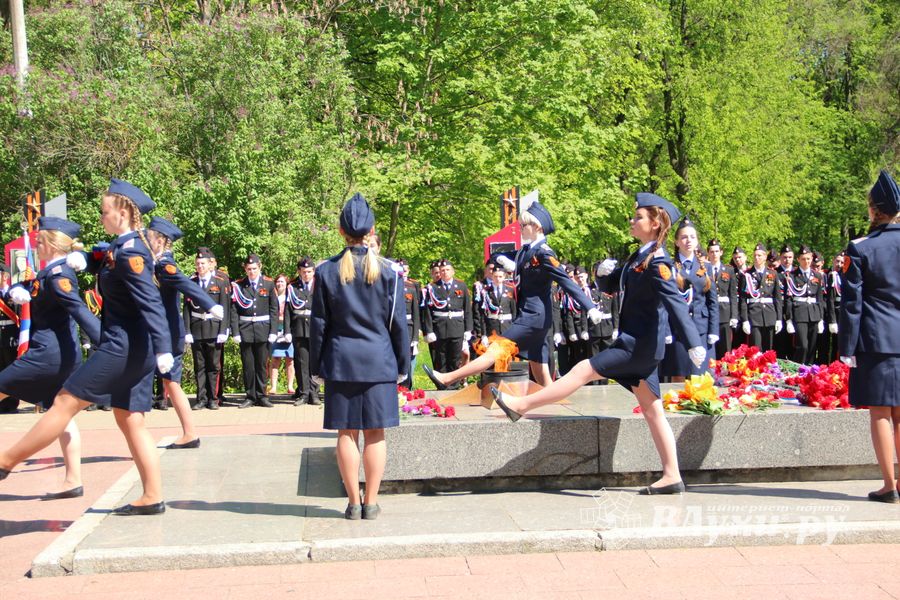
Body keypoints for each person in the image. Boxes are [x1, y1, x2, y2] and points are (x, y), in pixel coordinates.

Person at [491, 193, 705, 494]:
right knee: (652, 409)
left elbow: (675, 303)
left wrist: (694, 342)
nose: (632, 220)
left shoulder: (658, 262)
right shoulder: (641, 256)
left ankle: (521, 405)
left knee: (581, 370)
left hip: (637, 345)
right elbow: (618, 285)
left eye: (639, 217)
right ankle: (672, 474)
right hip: (640, 345)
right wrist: (604, 274)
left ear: (655, 224)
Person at [0, 179, 173, 515]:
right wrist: (84, 259)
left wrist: (164, 347)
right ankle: (152, 496)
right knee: (130, 420)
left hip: (122, 346)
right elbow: (104, 258)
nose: (102, 216)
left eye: (105, 211)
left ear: (122, 212)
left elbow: (151, 302)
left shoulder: (133, 252)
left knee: (65, 402)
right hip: (134, 348)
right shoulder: (123, 247)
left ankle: (6, 461)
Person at [423, 195, 602, 389]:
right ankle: (556, 403)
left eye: (525, 225)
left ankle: (449, 378)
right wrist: (503, 260)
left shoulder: (544, 253)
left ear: (538, 227)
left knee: (497, 349)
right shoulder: (525, 251)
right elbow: (495, 254)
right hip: (531, 316)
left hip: (534, 317)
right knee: (540, 370)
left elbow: (566, 281)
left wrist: (590, 307)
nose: (521, 228)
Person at [309, 192, 408, 520]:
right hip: (379, 363)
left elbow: (319, 325)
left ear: (341, 231)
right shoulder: (390, 272)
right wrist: (403, 366)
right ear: (372, 230)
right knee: (375, 433)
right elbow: (397, 325)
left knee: (347, 433)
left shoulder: (325, 272)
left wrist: (316, 366)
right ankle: (371, 502)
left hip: (341, 363)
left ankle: (352, 502)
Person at [0, 217, 100, 497]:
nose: (36, 246)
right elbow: (43, 291)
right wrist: (22, 290)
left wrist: (108, 342)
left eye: (40, 242)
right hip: (63, 355)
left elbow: (80, 311)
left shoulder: (57, 276)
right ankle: (73, 481)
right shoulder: (53, 273)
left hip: (47, 355)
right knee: (62, 416)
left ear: (53, 245)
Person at [839, 169, 900, 504]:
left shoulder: (861, 248)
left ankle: (888, 485)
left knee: (880, 412)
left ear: (874, 210)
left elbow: (852, 304)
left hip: (876, 339)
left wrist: (846, 348)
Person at [147, 217, 224, 448]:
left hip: (166, 335)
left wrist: (210, 305)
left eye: (150, 236)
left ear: (160, 241)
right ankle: (189, 432)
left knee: (167, 382)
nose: (146, 239)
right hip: (163, 332)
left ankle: (186, 433)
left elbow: (185, 284)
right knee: (171, 383)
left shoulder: (163, 265)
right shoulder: (154, 263)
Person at [660, 218, 718, 379]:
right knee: (678, 377)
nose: (688, 241)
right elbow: (664, 302)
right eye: (684, 237)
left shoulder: (705, 267)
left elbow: (712, 302)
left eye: (692, 237)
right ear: (677, 242)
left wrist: (713, 330)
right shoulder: (668, 267)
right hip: (677, 330)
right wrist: (666, 330)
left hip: (701, 330)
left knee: (701, 379)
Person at [184, 247, 230, 410]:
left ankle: (213, 398)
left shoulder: (220, 281)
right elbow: (187, 308)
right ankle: (201, 398)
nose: (200, 266)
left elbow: (225, 306)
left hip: (214, 328)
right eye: (198, 264)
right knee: (200, 366)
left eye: (202, 263)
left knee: (214, 366)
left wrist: (224, 330)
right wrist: (187, 331)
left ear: (209, 264)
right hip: (197, 328)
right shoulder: (191, 282)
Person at [230, 254, 278, 408]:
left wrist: (273, 331)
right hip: (245, 330)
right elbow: (234, 310)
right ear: (245, 269)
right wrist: (235, 331)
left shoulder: (269, 284)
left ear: (260, 267)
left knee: (262, 365)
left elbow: (274, 309)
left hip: (263, 329)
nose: (251, 272)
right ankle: (250, 396)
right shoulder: (239, 285)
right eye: (249, 269)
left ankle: (262, 396)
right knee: (248, 365)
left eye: (254, 268)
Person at [420, 259, 473, 389]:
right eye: (442, 270)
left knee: (455, 359)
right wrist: (429, 330)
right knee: (440, 359)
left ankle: (454, 386)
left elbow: (467, 309)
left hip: (457, 327)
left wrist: (468, 329)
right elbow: (427, 311)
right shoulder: (432, 287)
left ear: (453, 271)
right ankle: (442, 386)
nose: (445, 272)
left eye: (447, 269)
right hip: (440, 327)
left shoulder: (461, 286)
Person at [285, 257, 319, 405]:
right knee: (301, 362)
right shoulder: (292, 286)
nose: (306, 274)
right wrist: (286, 330)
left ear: (313, 271)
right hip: (298, 328)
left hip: (316, 328)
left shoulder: (320, 285)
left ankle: (314, 393)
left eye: (309, 271)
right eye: (304, 272)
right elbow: (287, 311)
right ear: (299, 271)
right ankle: (304, 393)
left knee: (314, 363)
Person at [784, 244, 825, 365]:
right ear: (798, 260)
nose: (806, 261)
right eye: (803, 259)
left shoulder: (817, 275)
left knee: (812, 347)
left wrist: (821, 318)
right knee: (803, 345)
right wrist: (789, 319)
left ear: (811, 259)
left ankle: (809, 371)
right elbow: (788, 299)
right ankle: (797, 369)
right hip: (799, 313)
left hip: (814, 314)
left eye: (808, 258)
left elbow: (819, 298)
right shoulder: (791, 276)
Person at [739, 243, 783, 351]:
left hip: (769, 315)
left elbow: (777, 298)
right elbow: (743, 299)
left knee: (768, 351)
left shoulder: (773, 273)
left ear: (765, 257)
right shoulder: (747, 275)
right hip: (753, 316)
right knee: (755, 350)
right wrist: (744, 320)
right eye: (755, 255)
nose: (756, 258)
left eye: (759, 255)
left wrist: (779, 319)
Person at [707, 239, 738, 358]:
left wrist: (734, 316)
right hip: (710, 312)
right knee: (711, 347)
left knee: (725, 348)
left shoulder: (729, 270)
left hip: (725, 313)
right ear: (708, 253)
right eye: (711, 251)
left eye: (716, 251)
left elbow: (733, 295)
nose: (714, 254)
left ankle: (725, 373)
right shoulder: (703, 269)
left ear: (721, 252)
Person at [268, 274, 295, 397]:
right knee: (275, 360)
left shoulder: (291, 297)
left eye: (282, 282)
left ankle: (290, 386)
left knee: (290, 360)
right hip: (275, 332)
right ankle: (273, 386)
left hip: (288, 332)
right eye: (278, 282)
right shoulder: (272, 296)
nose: (280, 284)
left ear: (287, 284)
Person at [397, 259, 421, 388]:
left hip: (408, 327)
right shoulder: (390, 287)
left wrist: (415, 338)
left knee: (407, 358)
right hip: (393, 327)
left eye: (404, 271)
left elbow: (416, 314)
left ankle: (406, 388)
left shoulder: (410, 288)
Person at [0, 265, 20, 414]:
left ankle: (12, 403)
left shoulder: (14, 293)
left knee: (10, 369)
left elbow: (21, 315)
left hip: (11, 336)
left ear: (5, 276)